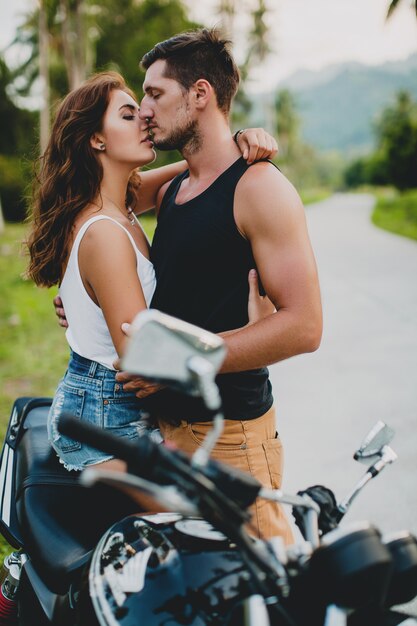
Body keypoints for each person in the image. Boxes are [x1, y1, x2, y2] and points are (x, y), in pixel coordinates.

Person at [115, 28, 323, 544]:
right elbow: (102, 196)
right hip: (165, 435)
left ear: (200, 93)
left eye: (156, 94)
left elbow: (305, 326)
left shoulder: (260, 189)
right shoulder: (175, 191)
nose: (144, 109)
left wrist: (180, 363)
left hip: (231, 440)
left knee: (266, 603)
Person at [28, 71, 275, 473]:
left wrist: (236, 140)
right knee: (202, 521)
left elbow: (200, 167)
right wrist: (253, 331)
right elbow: (141, 356)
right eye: (128, 115)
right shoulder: (105, 230)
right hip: (107, 417)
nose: (143, 118)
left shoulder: (118, 204)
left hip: (119, 408)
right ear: (96, 138)